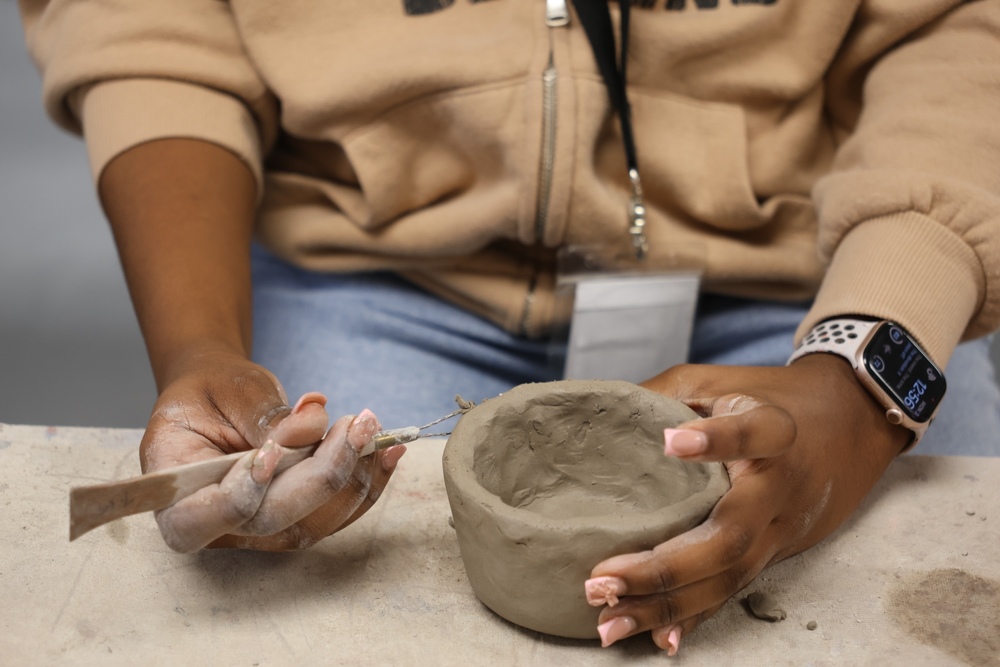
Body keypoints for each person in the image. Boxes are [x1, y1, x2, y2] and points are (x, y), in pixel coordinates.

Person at [19, 0, 1000, 654]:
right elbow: (149, 25)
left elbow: (963, 28)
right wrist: (199, 347)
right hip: (376, 260)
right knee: (282, 574)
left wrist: (864, 386)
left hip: (806, 278)